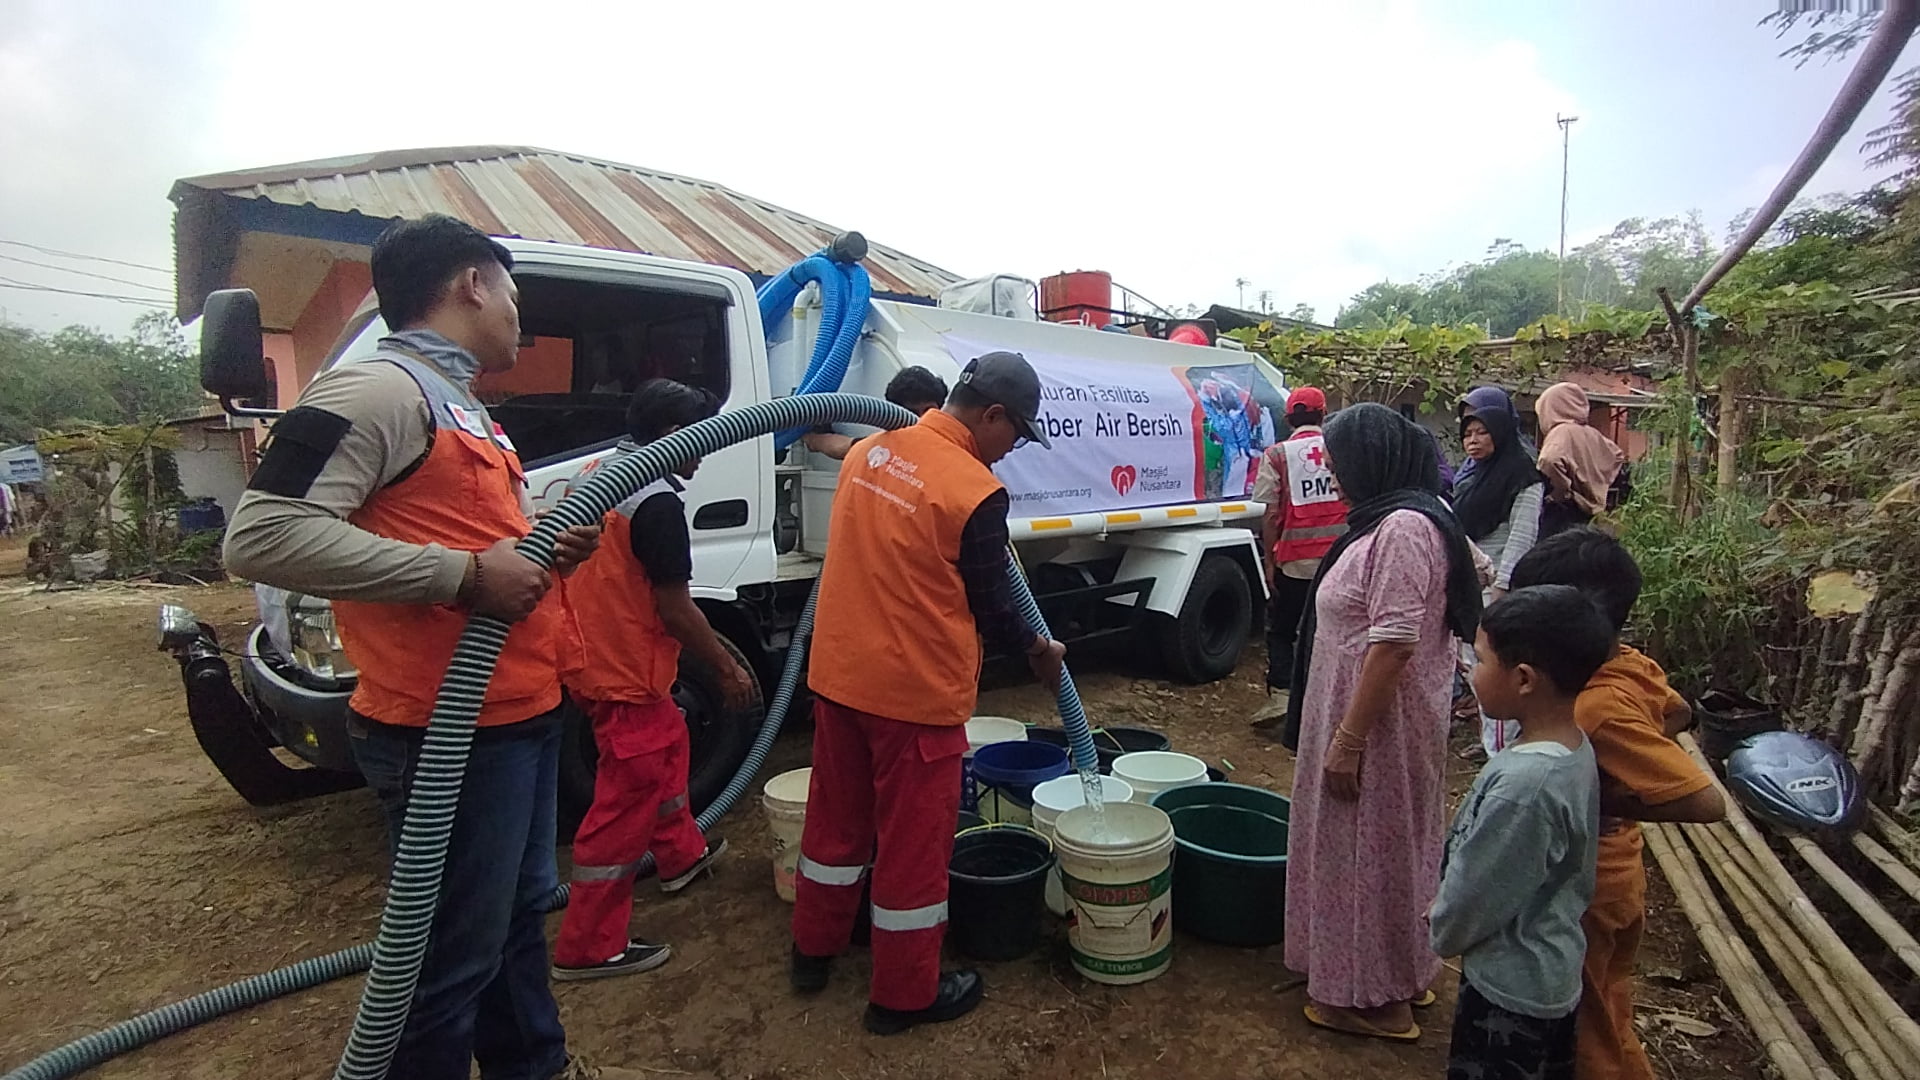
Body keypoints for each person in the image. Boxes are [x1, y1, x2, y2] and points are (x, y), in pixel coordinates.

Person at [223, 214, 638, 1080]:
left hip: (516, 713)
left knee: (516, 918)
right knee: (450, 961)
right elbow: (260, 539)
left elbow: (475, 538)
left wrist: (540, 549)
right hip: (445, 731)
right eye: (514, 295)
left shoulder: (465, 409)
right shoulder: (376, 392)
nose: (519, 317)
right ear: (473, 285)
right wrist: (461, 577)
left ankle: (536, 1065)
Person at [790, 350, 1068, 1036]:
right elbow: (994, 603)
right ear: (993, 414)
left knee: (834, 827)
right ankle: (903, 995)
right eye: (1017, 434)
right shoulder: (972, 489)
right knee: (914, 850)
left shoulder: (873, 452)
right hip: (913, 698)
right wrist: (1038, 648)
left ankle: (813, 951)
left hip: (839, 679)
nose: (1012, 452)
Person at [1283, 403, 1484, 1042]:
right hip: (1389, 717)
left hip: (1375, 725)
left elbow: (1394, 640)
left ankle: (1369, 999)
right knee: (1394, 846)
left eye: (1339, 463)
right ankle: (1400, 971)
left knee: (1361, 849)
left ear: (1375, 460)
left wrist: (1348, 741)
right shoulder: (1417, 515)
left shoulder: (1401, 527)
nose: (1332, 474)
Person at [550, 378, 748, 981]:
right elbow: (675, 608)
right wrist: (726, 667)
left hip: (591, 653)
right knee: (622, 804)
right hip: (624, 668)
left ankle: (680, 855)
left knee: (670, 743)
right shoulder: (656, 503)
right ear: (674, 437)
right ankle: (588, 945)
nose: (707, 450)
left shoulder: (603, 472)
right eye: (702, 438)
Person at [1510, 528, 1726, 1080]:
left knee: (1587, 1022)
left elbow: (1704, 802)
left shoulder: (1595, 706)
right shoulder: (1627, 664)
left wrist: (1587, 787)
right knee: (1608, 1001)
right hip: (1618, 867)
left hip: (1590, 882)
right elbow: (1677, 714)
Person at [1430, 585, 1609, 1080]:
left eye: (1481, 660)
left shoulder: (1525, 787)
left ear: (1524, 679)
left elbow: (1482, 889)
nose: (1470, 669)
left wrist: (1444, 922)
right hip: (1549, 970)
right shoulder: (1572, 748)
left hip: (1512, 991)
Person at [1249, 386, 1347, 728]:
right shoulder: (1341, 447)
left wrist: (1270, 562)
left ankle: (1282, 694)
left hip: (1296, 563)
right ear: (1323, 414)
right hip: (1341, 560)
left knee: (1282, 630)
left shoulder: (1276, 455)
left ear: (1288, 418)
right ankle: (1330, 700)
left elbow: (1271, 514)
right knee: (1331, 632)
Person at [1454, 386, 1544, 756]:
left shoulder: (1522, 475)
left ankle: (1502, 752)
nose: (1473, 441)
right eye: (1467, 434)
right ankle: (1490, 740)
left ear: (1501, 429)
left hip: (1499, 590)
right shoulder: (1470, 475)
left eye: (1482, 431)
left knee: (1499, 672)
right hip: (1471, 586)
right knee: (1475, 670)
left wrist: (1500, 596)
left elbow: (1521, 538)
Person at [1535, 382, 1627, 539]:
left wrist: (1561, 492)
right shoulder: (1591, 433)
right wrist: (1601, 483)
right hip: (1594, 513)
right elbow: (1617, 456)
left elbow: (1549, 461)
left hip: (1564, 515)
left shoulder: (1561, 432)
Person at [801, 366, 949, 460]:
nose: (920, 420)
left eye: (929, 411)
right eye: (912, 412)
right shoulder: (888, 446)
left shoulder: (951, 447)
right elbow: (844, 447)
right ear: (894, 414)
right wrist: (812, 439)